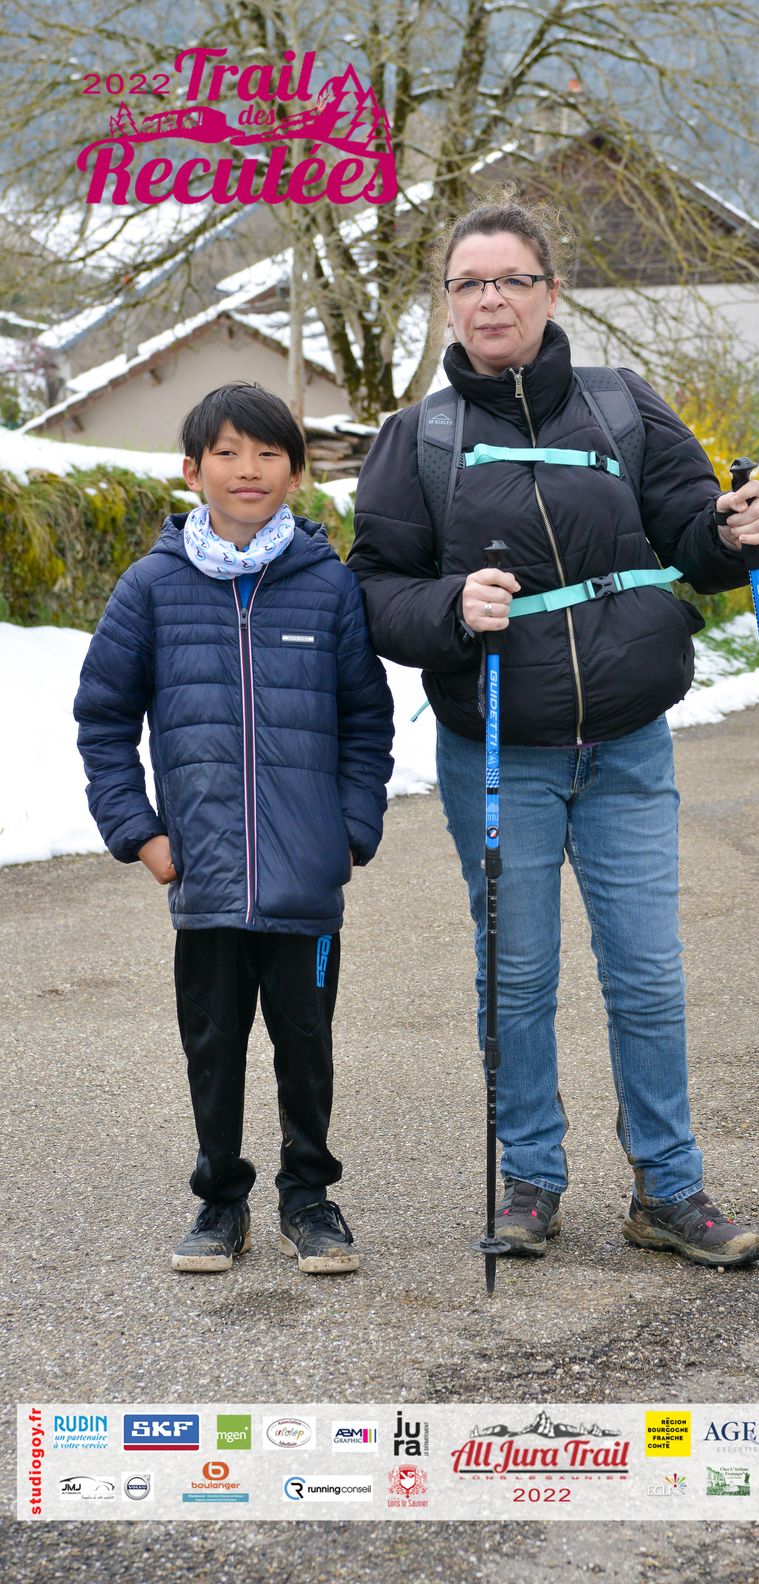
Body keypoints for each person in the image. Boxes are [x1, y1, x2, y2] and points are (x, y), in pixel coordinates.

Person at [348, 199, 759, 1270]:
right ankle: (531, 1180)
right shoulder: (418, 439)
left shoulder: (622, 405)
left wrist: (742, 533)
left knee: (647, 975)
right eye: (469, 283)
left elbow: (695, 537)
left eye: (512, 279)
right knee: (518, 975)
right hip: (498, 749)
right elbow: (376, 590)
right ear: (448, 302)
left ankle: (668, 1189)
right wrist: (452, 607)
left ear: (550, 290)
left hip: (627, 744)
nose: (490, 299)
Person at [74, 383, 395, 1276]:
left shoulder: (328, 588)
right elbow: (103, 721)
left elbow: (367, 722)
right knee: (212, 1048)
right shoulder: (151, 588)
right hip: (204, 877)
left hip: (305, 881)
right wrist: (141, 834)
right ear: (192, 470)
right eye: (225, 452)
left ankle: (309, 1198)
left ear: (295, 473)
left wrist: (350, 830)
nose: (246, 469)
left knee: (307, 1046)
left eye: (266, 453)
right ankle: (220, 1201)